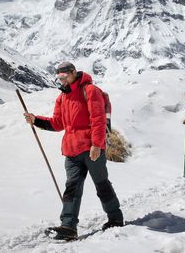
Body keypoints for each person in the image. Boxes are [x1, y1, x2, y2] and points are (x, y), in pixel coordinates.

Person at [23, 61, 123, 240]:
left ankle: (115, 218)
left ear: (73, 72)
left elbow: (98, 120)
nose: (62, 81)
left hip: (91, 148)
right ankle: (68, 227)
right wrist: (36, 120)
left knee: (102, 184)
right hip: (71, 149)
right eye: (59, 78)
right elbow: (57, 123)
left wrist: (96, 145)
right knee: (72, 188)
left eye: (64, 77)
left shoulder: (90, 91)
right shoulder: (62, 97)